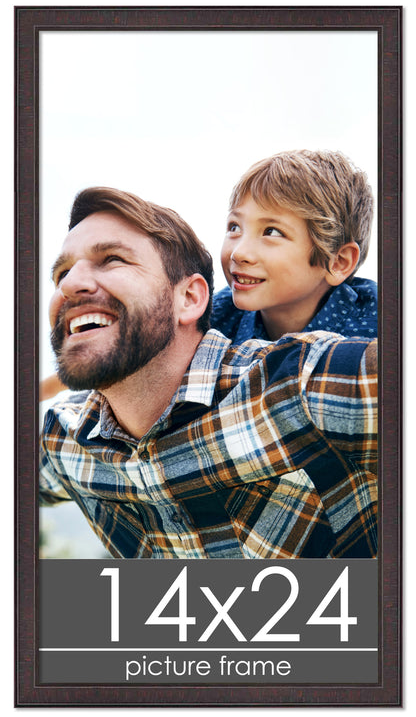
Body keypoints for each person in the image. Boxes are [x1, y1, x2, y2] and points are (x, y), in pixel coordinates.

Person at [40, 186, 377, 559]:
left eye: (113, 259)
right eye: (63, 272)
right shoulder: (64, 438)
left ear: (189, 299)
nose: (69, 284)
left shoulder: (298, 384)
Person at [211, 149, 377, 343]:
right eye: (235, 227)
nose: (238, 253)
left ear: (338, 262)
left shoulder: (382, 331)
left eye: (271, 231)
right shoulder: (210, 320)